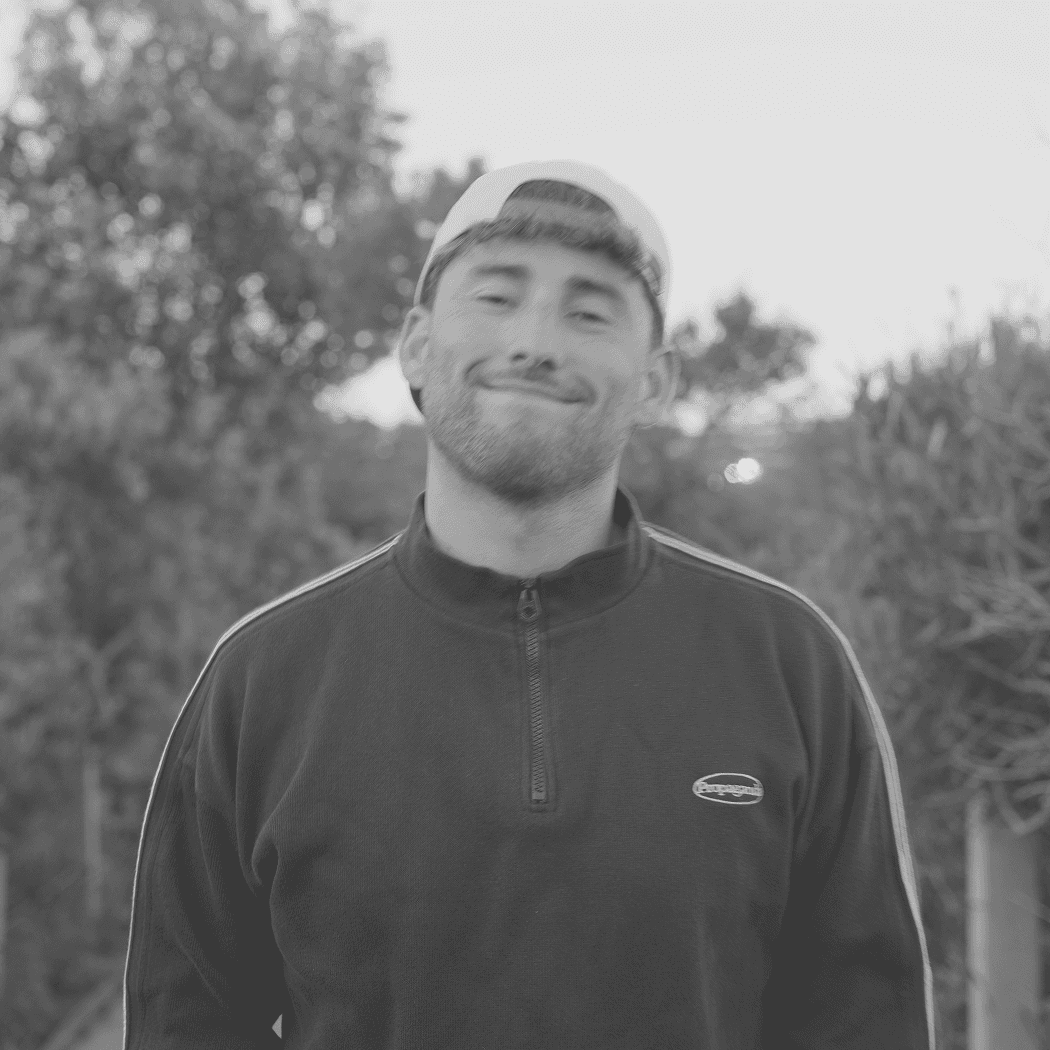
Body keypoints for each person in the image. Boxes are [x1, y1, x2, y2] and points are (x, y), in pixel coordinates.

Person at [121, 159, 936, 1049]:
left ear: (657, 380)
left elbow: (867, 1023)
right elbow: (182, 1022)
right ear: (417, 347)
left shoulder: (792, 664)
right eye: (497, 296)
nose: (537, 341)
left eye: (590, 310)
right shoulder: (263, 677)